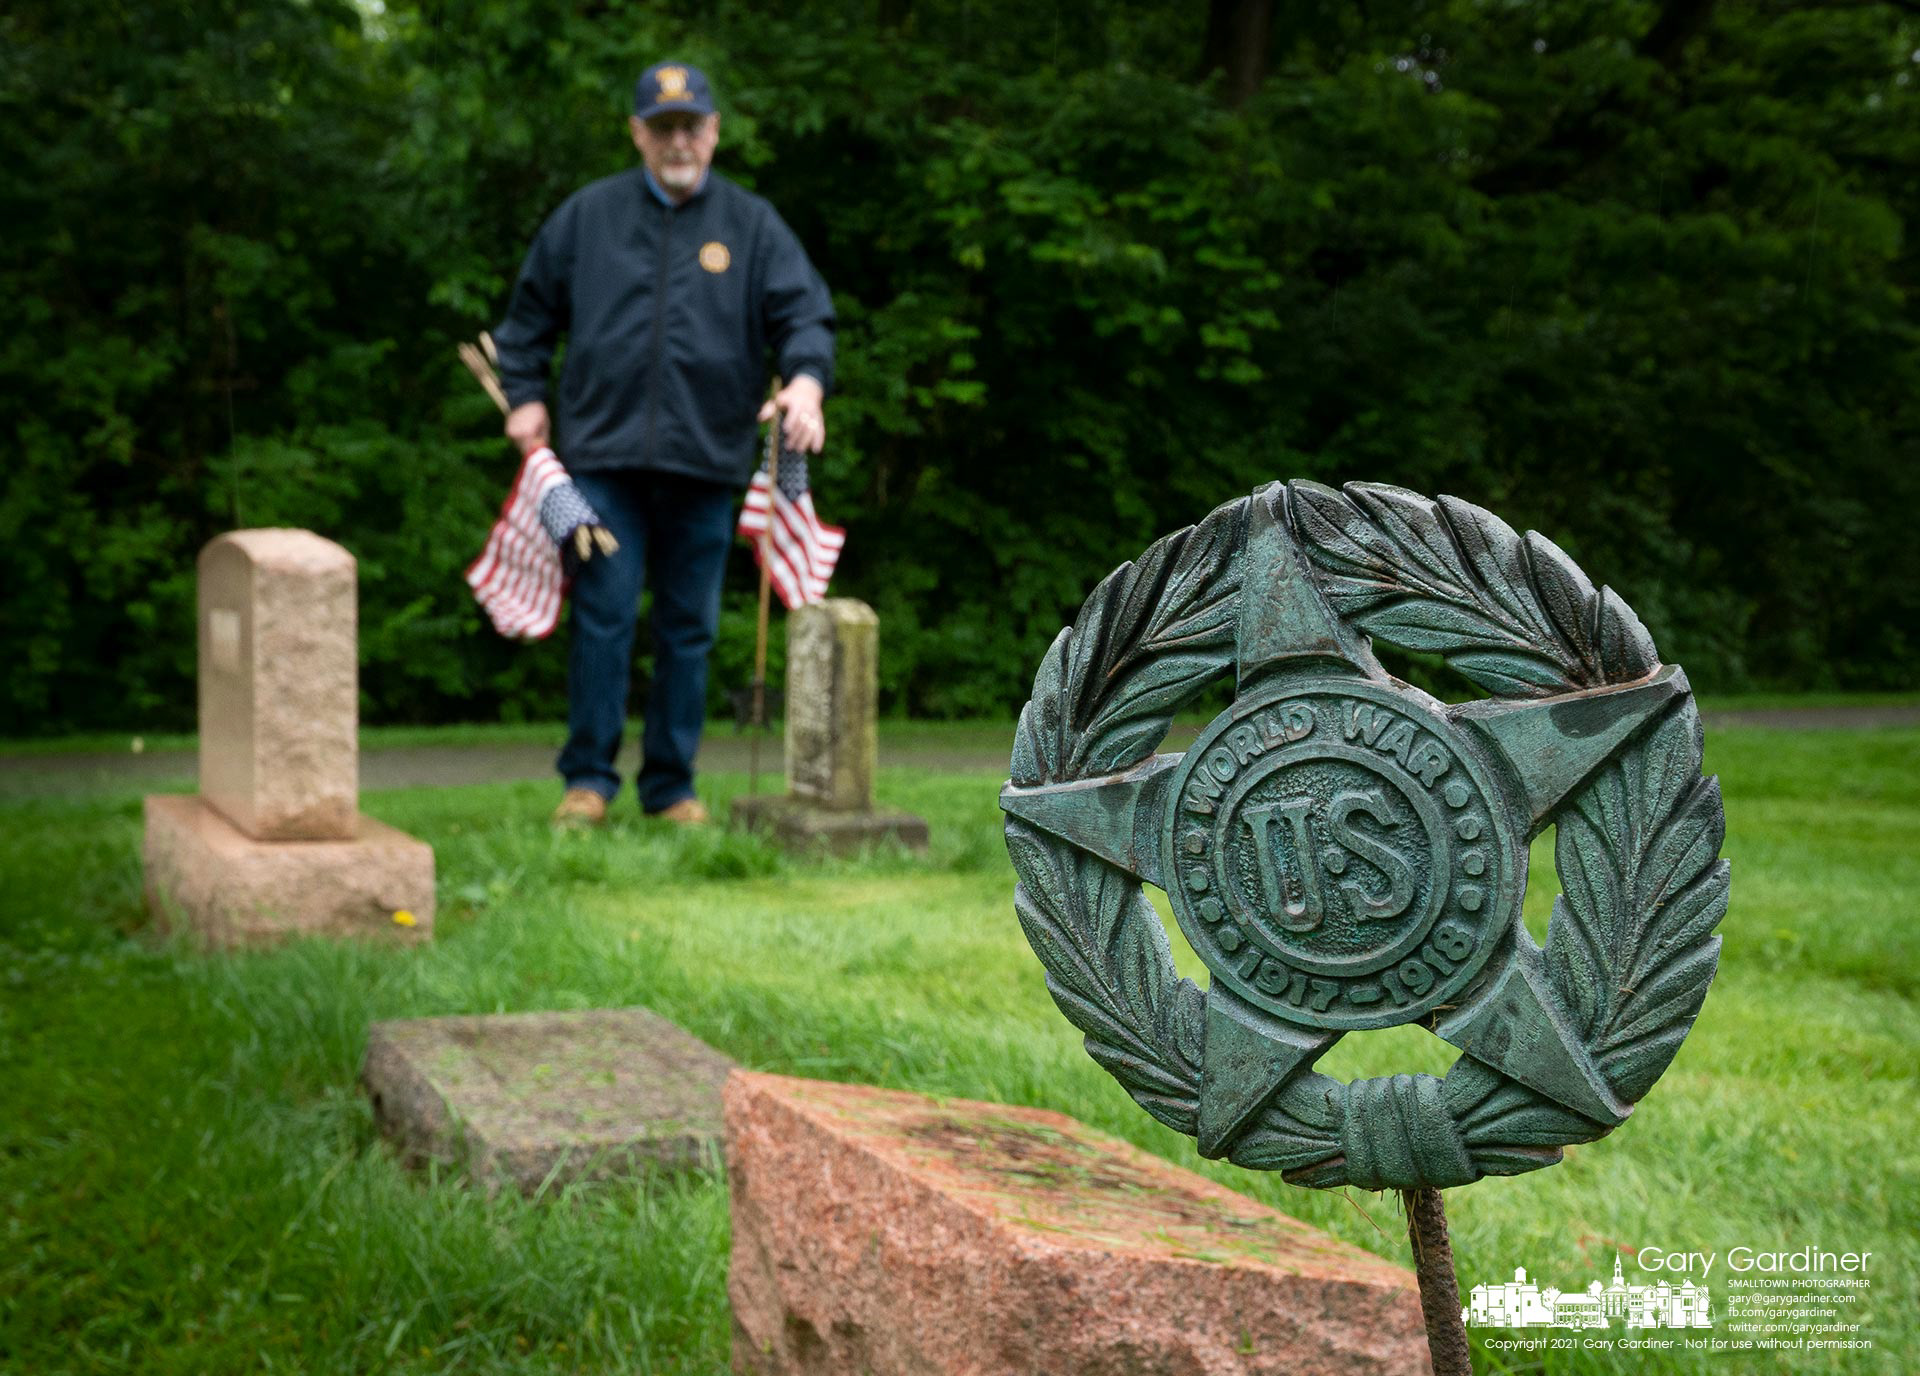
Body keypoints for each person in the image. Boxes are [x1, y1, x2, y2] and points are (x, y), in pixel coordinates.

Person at [491, 62, 835, 827]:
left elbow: (806, 320)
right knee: (605, 615)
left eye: (692, 126)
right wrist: (524, 401)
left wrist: (806, 384)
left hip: (708, 463)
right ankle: (587, 781)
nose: (678, 140)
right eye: (663, 126)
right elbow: (524, 326)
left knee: (691, 628)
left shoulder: (752, 225)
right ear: (638, 132)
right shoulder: (587, 217)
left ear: (713, 131)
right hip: (598, 462)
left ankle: (672, 788)